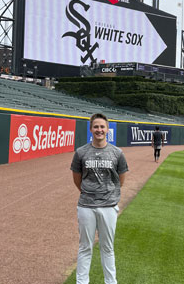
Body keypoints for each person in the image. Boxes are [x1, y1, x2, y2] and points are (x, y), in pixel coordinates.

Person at [71, 113, 128, 284]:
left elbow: (121, 178)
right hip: (86, 206)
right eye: (96, 126)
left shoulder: (117, 153)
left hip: (108, 206)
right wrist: (88, 191)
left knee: (107, 248)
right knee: (85, 248)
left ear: (107, 129)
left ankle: (111, 282)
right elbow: (76, 177)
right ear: (90, 129)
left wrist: (108, 193)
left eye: (102, 127)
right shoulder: (81, 152)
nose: (99, 130)